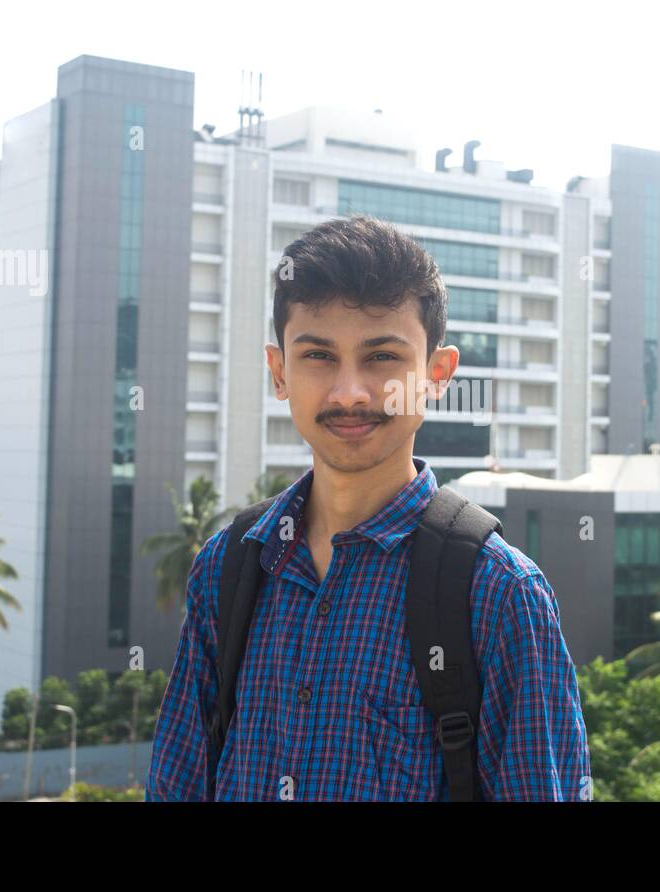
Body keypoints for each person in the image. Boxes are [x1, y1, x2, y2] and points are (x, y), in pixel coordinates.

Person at [146, 215, 590, 801]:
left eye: (382, 358)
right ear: (279, 372)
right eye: (318, 356)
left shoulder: (498, 593)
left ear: (436, 375)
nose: (349, 392)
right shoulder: (229, 567)